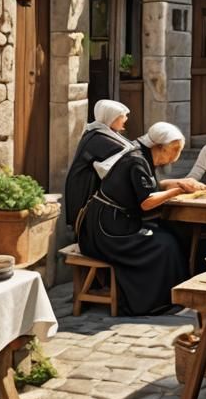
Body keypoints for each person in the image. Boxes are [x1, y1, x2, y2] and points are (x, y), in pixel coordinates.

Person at [77, 122, 194, 316]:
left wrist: (177, 183)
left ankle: (174, 296)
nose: (177, 155)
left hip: (113, 222)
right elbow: (147, 202)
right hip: (107, 230)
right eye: (175, 150)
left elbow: (148, 187)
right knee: (165, 245)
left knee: (170, 235)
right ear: (159, 147)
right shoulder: (137, 161)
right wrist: (177, 191)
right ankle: (151, 303)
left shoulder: (142, 155)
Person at [64, 100, 133, 230]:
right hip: (85, 190)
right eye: (121, 116)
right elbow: (128, 156)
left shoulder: (105, 132)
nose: (125, 119)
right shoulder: (98, 138)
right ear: (110, 118)